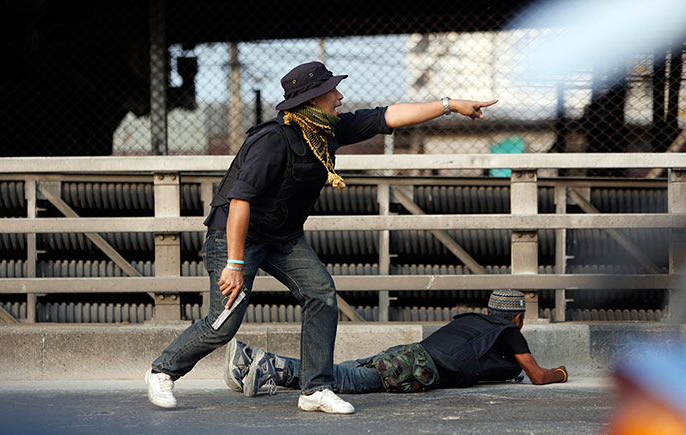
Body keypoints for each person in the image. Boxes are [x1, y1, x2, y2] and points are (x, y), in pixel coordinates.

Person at [145, 60, 498, 414]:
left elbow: (389, 116)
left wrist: (450, 105)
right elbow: (240, 202)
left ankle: (314, 388)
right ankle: (162, 371)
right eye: (333, 91)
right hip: (236, 236)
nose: (340, 96)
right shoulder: (272, 140)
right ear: (313, 99)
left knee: (321, 294)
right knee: (224, 321)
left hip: (282, 237)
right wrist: (234, 264)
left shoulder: (327, 129)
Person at [225, 290, 569, 399]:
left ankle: (254, 360)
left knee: (340, 373)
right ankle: (273, 369)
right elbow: (537, 376)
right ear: (518, 318)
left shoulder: (471, 321)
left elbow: (479, 364)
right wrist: (561, 373)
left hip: (404, 355)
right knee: (345, 381)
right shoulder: (508, 331)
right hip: (414, 368)